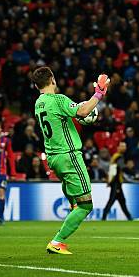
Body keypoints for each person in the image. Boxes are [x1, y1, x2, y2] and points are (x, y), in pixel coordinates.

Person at [32, 66, 110, 255]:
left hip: (53, 158)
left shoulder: (39, 103)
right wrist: (98, 95)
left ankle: (72, 202)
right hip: (69, 156)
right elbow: (83, 111)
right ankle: (57, 241)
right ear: (52, 79)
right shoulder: (58, 100)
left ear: (36, 85)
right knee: (86, 205)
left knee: (74, 197)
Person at [102, 142, 133, 221]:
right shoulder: (119, 157)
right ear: (118, 147)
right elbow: (121, 167)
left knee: (122, 201)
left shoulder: (115, 156)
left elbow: (113, 170)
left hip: (115, 182)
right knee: (112, 200)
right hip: (116, 182)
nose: (124, 148)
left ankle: (129, 218)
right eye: (122, 146)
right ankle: (103, 217)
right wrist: (132, 171)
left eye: (125, 146)